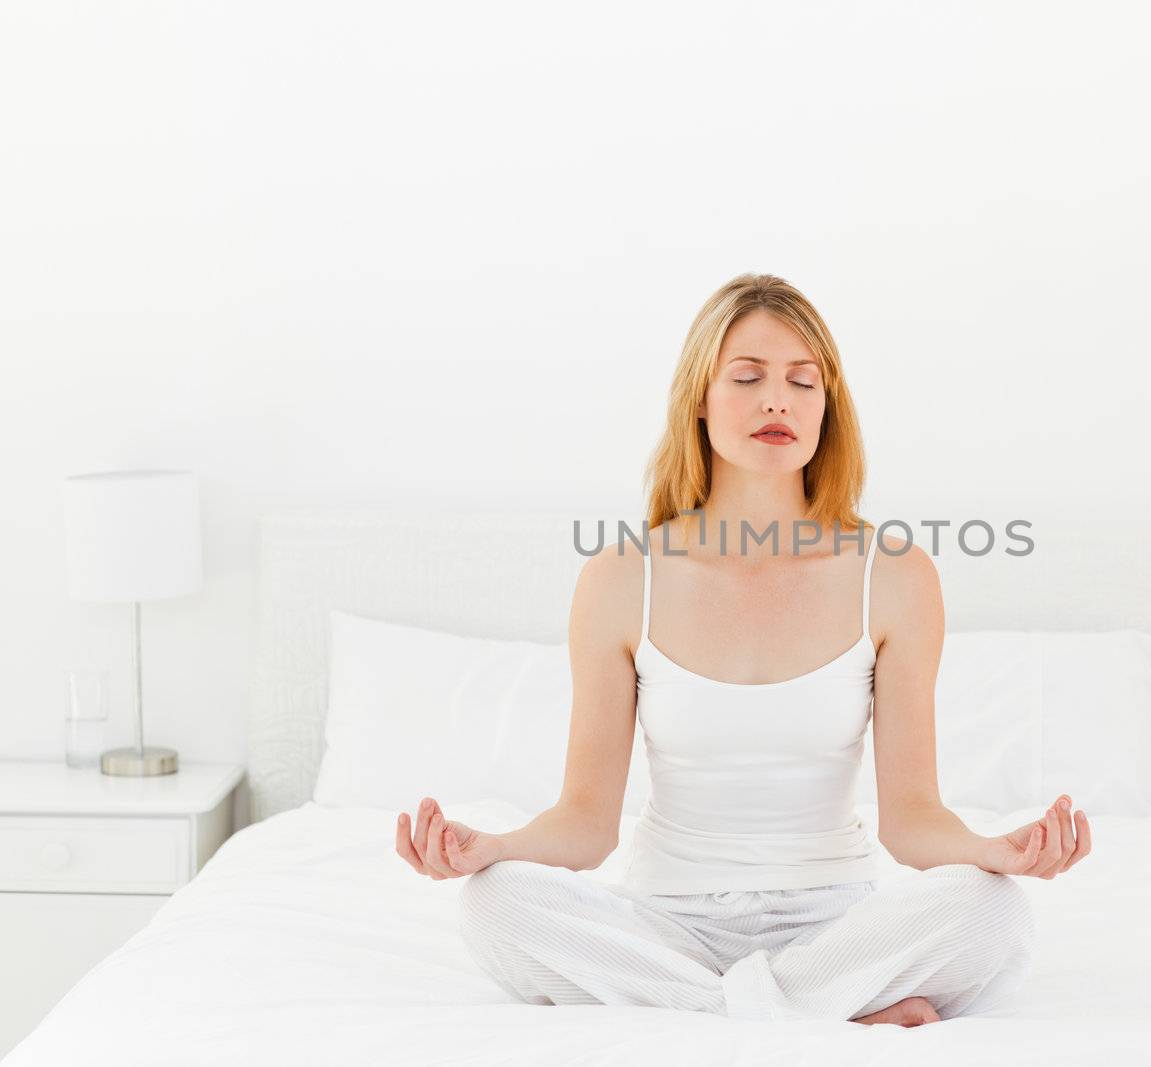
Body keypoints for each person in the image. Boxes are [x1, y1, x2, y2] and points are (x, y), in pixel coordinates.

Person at [393, 273, 1092, 1026]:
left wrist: (997, 850)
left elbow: (913, 820)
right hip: (668, 923)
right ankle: (819, 1013)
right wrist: (487, 846)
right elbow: (587, 822)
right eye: (748, 377)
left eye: (803, 381)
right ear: (699, 397)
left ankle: (705, 1011)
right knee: (497, 902)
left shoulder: (893, 575)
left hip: (834, 926)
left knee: (992, 911)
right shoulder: (623, 576)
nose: (777, 400)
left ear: (827, 407)